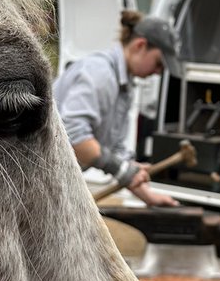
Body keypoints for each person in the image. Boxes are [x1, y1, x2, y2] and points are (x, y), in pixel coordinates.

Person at [53, 11, 181, 207]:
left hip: (60, 178)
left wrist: (147, 194)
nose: (157, 72)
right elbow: (73, 136)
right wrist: (120, 169)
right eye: (158, 64)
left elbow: (116, 150)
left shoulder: (124, 86)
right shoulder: (100, 74)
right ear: (140, 45)